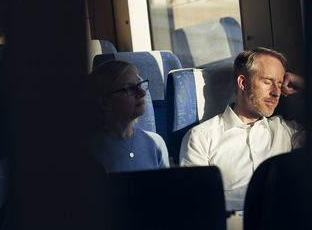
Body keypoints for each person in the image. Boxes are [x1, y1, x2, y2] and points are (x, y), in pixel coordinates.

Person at [179, 47, 305, 210]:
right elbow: (195, 203)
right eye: (267, 82)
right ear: (243, 83)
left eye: (280, 84)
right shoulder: (200, 138)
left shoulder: (288, 132)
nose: (276, 93)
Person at [89, 59, 169, 172]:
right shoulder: (92, 150)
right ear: (105, 103)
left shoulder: (155, 143)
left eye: (140, 85)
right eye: (130, 88)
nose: (143, 93)